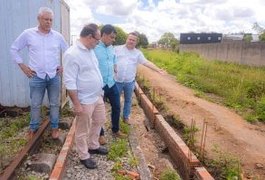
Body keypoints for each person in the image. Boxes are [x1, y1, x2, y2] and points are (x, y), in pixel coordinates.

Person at [10, 7, 68, 139]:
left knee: (54, 103)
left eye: (50, 20)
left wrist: (64, 66)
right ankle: (33, 128)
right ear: (39, 19)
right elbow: (14, 49)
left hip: (53, 76)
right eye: (45, 19)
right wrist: (23, 66)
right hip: (36, 76)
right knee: (35, 104)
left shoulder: (57, 36)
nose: (48, 22)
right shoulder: (28, 34)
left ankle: (54, 127)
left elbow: (68, 52)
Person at [63, 23, 108, 169]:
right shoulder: (72, 54)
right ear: (89, 37)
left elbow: (93, 71)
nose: (98, 43)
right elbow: (69, 81)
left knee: (99, 120)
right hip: (84, 100)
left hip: (96, 96)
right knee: (82, 129)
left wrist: (100, 91)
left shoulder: (90, 50)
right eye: (97, 40)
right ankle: (83, 155)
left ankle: (93, 146)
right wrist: (76, 104)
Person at [115, 32, 165, 124]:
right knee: (115, 101)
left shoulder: (137, 53)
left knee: (128, 100)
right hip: (117, 81)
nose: (131, 41)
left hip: (129, 82)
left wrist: (158, 70)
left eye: (133, 40)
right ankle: (115, 119)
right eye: (130, 39)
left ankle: (125, 117)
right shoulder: (116, 49)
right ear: (127, 39)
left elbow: (146, 62)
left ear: (136, 42)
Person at [94, 24, 125, 144]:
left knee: (117, 106)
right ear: (104, 35)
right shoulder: (94, 48)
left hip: (111, 83)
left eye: (114, 38)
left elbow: (114, 59)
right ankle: (100, 134)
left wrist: (115, 65)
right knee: (98, 111)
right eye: (111, 37)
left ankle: (115, 130)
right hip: (99, 84)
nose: (113, 40)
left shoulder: (111, 48)